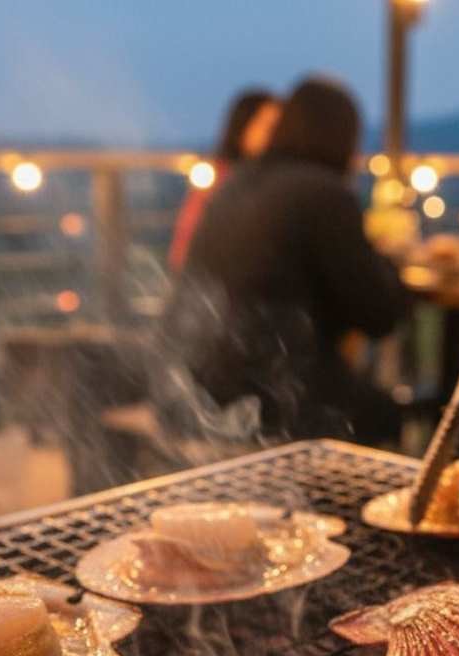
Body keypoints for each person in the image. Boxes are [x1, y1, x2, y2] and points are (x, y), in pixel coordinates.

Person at [161, 76, 408, 441]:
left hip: (190, 385)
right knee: (384, 413)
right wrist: (389, 262)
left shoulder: (237, 180)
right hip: (269, 395)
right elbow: (379, 314)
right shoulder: (324, 193)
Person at [167, 88, 280, 271]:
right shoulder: (218, 180)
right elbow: (184, 249)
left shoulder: (278, 181)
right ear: (243, 126)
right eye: (268, 127)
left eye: (279, 128)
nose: (275, 136)